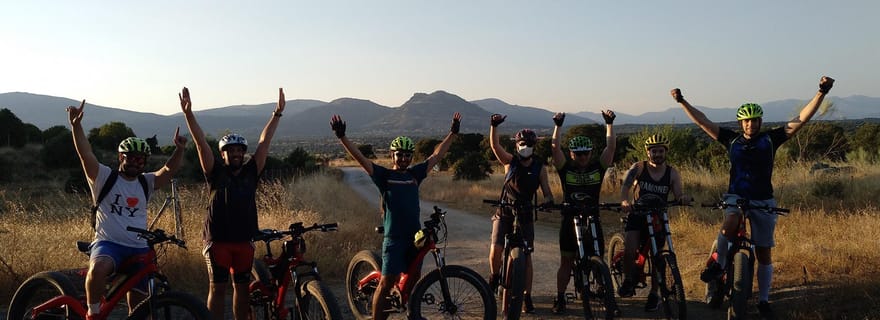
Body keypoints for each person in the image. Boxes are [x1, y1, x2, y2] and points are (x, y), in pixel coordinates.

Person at [672, 76, 835, 318]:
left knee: (764, 253)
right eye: (746, 121)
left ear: (760, 121)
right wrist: (682, 101)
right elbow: (703, 121)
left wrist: (822, 92)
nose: (751, 124)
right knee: (730, 222)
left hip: (763, 200)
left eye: (755, 120)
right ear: (741, 123)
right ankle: (718, 265)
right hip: (736, 196)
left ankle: (764, 300)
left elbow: (801, 118)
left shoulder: (770, 139)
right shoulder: (731, 140)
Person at [330, 112, 461, 320]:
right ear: (392, 156)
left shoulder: (414, 175)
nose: (404, 158)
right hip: (394, 239)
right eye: (399, 154)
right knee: (387, 281)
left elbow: (436, 156)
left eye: (408, 155)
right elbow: (361, 159)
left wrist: (452, 134)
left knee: (414, 275)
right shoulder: (385, 177)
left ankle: (409, 307)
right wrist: (342, 137)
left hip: (413, 237)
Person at [67, 100, 186, 319]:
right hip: (108, 244)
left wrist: (179, 150)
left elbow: (168, 170)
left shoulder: (145, 182)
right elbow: (86, 154)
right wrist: (76, 127)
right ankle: (92, 313)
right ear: (121, 157)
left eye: (140, 159)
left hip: (139, 247)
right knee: (99, 268)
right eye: (130, 157)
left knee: (139, 308)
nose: (135, 162)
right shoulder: (104, 177)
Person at [180, 87, 285, 320]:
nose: (236, 154)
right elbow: (200, 144)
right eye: (230, 151)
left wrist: (277, 114)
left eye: (239, 150)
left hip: (244, 241)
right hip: (218, 241)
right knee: (217, 289)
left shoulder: (251, 171)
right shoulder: (215, 172)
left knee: (242, 290)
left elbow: (264, 142)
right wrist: (189, 115)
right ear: (223, 154)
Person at [548, 110, 616, 314]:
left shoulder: (598, 167)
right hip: (570, 220)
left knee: (599, 259)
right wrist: (558, 126)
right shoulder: (566, 168)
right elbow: (554, 149)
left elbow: (610, 147)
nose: (583, 157)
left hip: (593, 218)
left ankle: (606, 296)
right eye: (578, 153)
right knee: (567, 262)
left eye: (586, 153)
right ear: (572, 154)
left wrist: (609, 124)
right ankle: (560, 298)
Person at [487, 113, 555, 315]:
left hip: (525, 212)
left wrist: (549, 201)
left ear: (534, 145)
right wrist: (494, 126)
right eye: (522, 143)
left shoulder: (539, 167)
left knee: (526, 258)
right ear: (516, 145)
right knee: (496, 249)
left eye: (529, 144)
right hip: (505, 210)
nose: (526, 147)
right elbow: (495, 146)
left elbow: (547, 190)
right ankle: (494, 276)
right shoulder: (510, 162)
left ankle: (527, 296)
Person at [616, 134, 689, 312]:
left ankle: (655, 294)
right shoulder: (639, 167)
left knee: (659, 259)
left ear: (666, 152)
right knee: (630, 249)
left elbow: (678, 192)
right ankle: (628, 279)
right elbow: (625, 186)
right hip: (638, 214)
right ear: (648, 153)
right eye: (653, 151)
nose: (657, 154)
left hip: (658, 216)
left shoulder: (672, 173)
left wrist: (682, 198)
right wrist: (625, 201)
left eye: (660, 151)